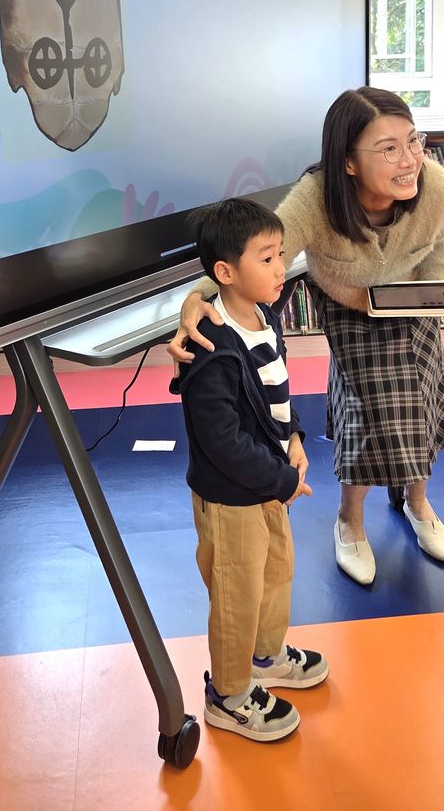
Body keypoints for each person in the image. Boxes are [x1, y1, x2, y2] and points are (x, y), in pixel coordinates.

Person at [169, 87, 444, 584]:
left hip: (409, 302)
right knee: (368, 405)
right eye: (389, 148)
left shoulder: (439, 191)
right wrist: (197, 296)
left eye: (413, 141)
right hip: (347, 301)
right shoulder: (316, 197)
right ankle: (350, 519)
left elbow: (439, 265)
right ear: (348, 161)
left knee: (420, 396)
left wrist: (429, 303)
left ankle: (417, 502)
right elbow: (256, 252)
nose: (410, 159)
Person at [173, 197, 329, 743]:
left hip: (267, 482)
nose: (281, 267)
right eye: (266, 258)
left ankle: (266, 658)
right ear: (226, 272)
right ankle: (230, 694)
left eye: (281, 254)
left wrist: (294, 437)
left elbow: (276, 395)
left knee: (276, 573)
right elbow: (220, 441)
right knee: (236, 595)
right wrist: (281, 479)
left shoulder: (266, 319)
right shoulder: (210, 347)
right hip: (232, 496)